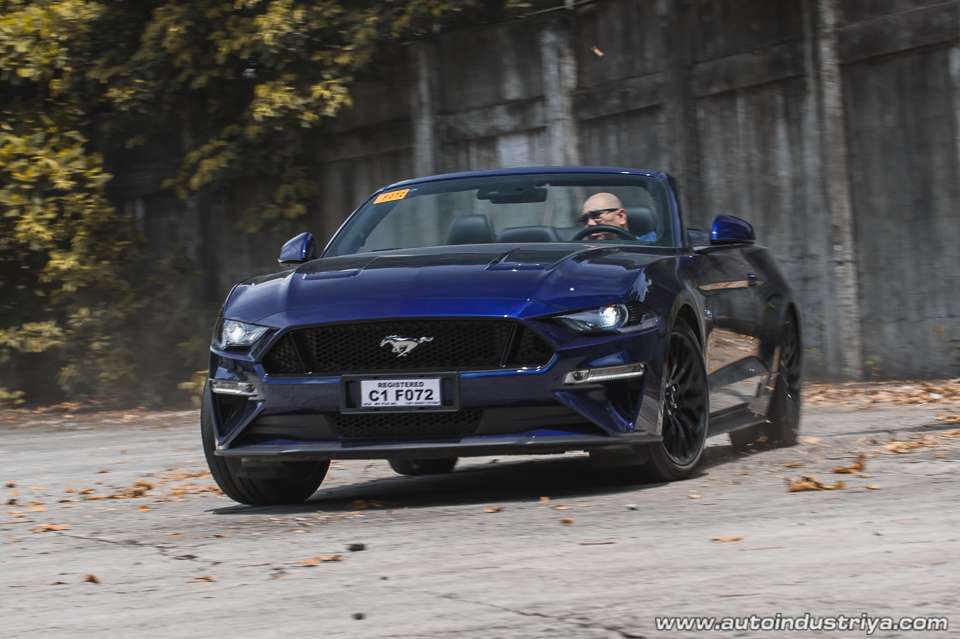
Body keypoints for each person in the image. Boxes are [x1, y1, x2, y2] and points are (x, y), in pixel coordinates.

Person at [579, 192, 657, 242]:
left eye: (597, 216)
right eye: (585, 219)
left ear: (621, 216)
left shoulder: (653, 244)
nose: (589, 223)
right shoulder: (580, 254)